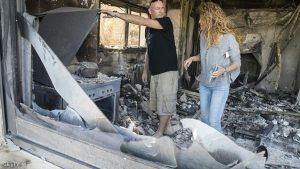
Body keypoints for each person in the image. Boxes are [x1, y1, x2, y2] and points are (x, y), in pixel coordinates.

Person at [102, 0, 178, 137]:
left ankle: (160, 132)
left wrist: (117, 14)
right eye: (157, 8)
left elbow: (142, 21)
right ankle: (168, 127)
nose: (161, 11)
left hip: (167, 70)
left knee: (166, 100)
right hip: (155, 71)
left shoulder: (166, 22)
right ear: (150, 11)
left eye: (162, 8)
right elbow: (149, 50)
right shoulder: (149, 30)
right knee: (159, 101)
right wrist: (145, 69)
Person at [184, 2, 241, 133]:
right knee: (204, 119)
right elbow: (204, 55)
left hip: (220, 86)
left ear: (211, 19)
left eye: (202, 18)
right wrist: (193, 58)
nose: (199, 21)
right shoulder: (204, 36)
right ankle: (206, 148)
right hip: (204, 84)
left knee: (213, 122)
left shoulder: (228, 38)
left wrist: (224, 70)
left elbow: (237, 63)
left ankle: (218, 150)